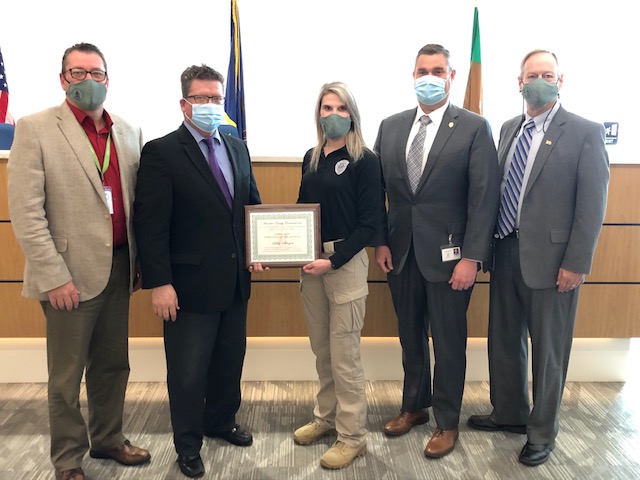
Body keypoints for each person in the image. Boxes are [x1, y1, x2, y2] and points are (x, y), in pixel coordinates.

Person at [7, 42, 150, 480]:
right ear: (63, 78)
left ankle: (107, 439)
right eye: (78, 73)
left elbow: (134, 201)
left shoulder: (127, 131)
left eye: (97, 73)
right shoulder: (34, 129)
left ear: (108, 79)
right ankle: (67, 459)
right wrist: (53, 276)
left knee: (112, 365)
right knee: (66, 378)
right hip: (66, 274)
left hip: (119, 266)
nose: (88, 81)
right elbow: (27, 212)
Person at [468, 49, 610, 466]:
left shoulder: (585, 131)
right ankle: (510, 412)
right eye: (532, 75)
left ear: (561, 81)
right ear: (519, 82)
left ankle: (542, 431)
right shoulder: (510, 128)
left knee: (549, 352)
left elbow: (592, 205)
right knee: (505, 340)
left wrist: (577, 263)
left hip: (554, 262)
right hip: (506, 249)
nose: (539, 81)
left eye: (548, 74)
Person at [133, 64, 262, 479]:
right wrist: (159, 283)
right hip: (185, 288)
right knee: (188, 372)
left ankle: (221, 421)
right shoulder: (162, 151)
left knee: (229, 360)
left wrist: (257, 246)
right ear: (184, 104)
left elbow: (250, 206)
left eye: (216, 99)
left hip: (234, 281)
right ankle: (188, 445)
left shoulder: (236, 145)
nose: (210, 106)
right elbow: (150, 225)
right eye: (202, 99)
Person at [374, 43, 500, 458]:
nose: (429, 77)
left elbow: (484, 198)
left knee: (448, 342)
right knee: (410, 336)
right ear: (413, 76)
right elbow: (378, 194)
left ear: (451, 76)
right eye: (422, 70)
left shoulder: (473, 127)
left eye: (437, 70)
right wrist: (380, 242)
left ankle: (447, 421)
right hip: (401, 254)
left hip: (451, 260)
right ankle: (415, 407)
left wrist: (472, 257)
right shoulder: (390, 127)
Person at [293, 82, 383, 469]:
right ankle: (325, 419)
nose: (332, 114)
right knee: (323, 351)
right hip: (311, 265)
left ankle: (352, 436)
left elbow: (370, 223)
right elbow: (300, 210)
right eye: (326, 107)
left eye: (341, 108)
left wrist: (334, 260)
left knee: (345, 356)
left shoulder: (365, 159)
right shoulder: (311, 157)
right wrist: (282, 249)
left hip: (343, 263)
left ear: (352, 115)